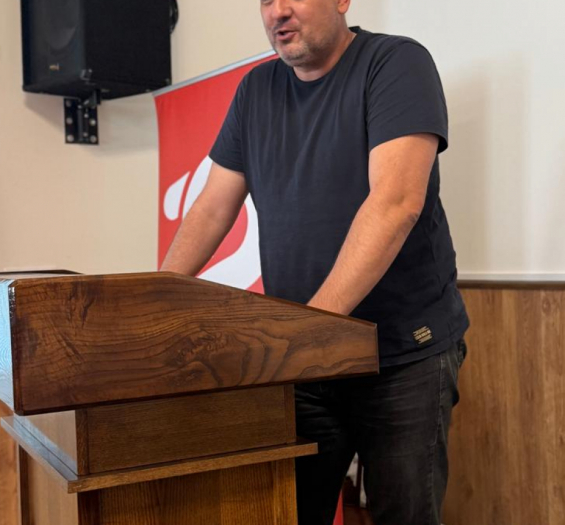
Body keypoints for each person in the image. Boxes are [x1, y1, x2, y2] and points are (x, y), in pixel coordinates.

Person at [160, 0, 469, 523]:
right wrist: (153, 300)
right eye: (265, 0)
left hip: (401, 358)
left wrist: (306, 334)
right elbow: (212, 207)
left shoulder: (395, 63)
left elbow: (395, 204)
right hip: (303, 366)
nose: (277, 12)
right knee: (285, 513)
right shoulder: (255, 90)